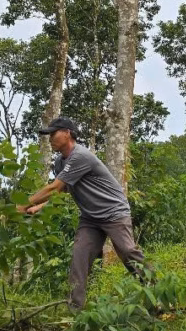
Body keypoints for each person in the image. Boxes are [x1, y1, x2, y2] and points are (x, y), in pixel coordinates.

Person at [18, 116, 151, 310]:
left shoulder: (80, 155)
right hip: (90, 218)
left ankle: (156, 289)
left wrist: (23, 205)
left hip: (113, 211)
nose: (50, 138)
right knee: (79, 260)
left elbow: (54, 188)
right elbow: (63, 189)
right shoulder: (59, 163)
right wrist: (39, 207)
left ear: (67, 133)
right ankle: (74, 311)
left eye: (53, 134)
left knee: (127, 251)